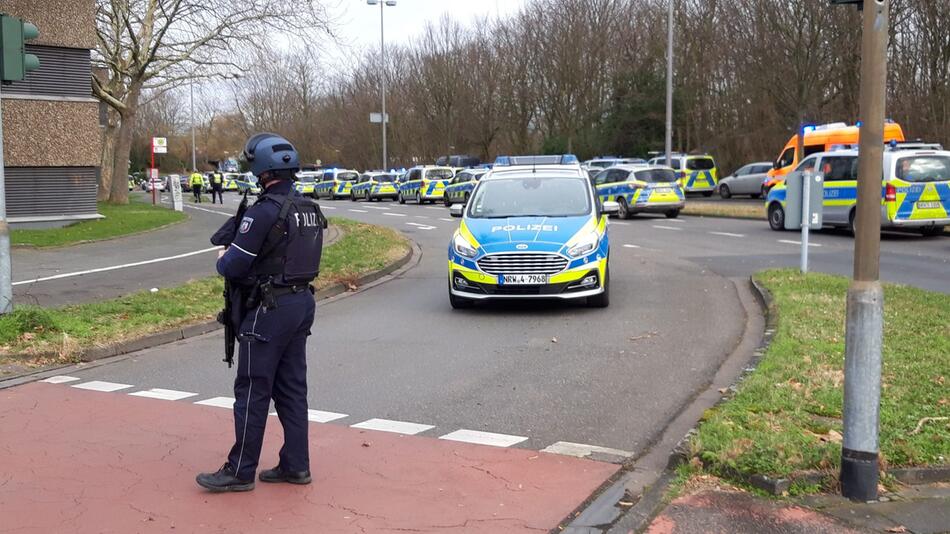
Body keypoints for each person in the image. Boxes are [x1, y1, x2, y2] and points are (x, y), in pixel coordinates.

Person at [196, 133, 326, 493]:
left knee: (253, 389)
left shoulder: (264, 211)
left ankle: (239, 471)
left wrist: (222, 260)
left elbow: (234, 264)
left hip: (268, 310)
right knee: (292, 390)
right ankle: (296, 465)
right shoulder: (309, 209)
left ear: (261, 169)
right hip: (301, 304)